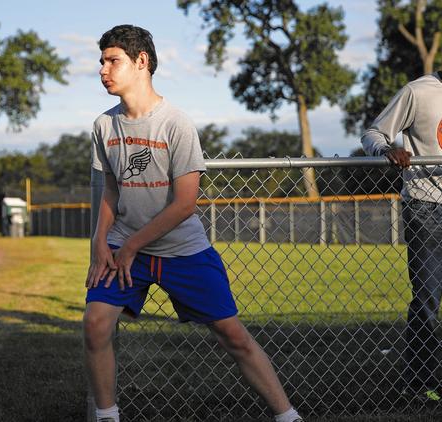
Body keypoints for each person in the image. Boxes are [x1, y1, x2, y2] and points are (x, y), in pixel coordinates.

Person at [84, 24, 303, 422]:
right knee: (96, 325)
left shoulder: (176, 123)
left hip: (180, 249)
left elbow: (185, 204)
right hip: (122, 246)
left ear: (141, 62)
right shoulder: (104, 126)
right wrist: (102, 243)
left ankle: (287, 415)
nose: (103, 69)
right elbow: (110, 192)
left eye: (112, 60)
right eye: (101, 61)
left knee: (233, 337)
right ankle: (106, 415)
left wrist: (132, 246)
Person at [361, 22, 442, 401]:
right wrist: (387, 150)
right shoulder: (417, 92)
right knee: (428, 302)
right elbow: (373, 133)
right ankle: (420, 384)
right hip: (426, 208)